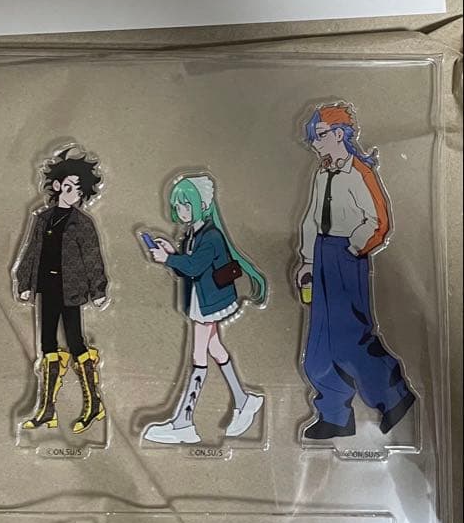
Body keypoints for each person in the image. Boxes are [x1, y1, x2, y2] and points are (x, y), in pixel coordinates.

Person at [296, 103, 416, 439]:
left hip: (346, 256)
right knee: (319, 343)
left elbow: (379, 222)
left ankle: (394, 396)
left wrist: (352, 248)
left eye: (320, 135)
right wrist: (308, 260)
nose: (314, 143)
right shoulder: (322, 174)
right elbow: (311, 219)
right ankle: (334, 414)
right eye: (313, 137)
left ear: (339, 135)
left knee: (351, 337)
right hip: (322, 253)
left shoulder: (360, 173)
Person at [143, 175, 267, 444]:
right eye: (178, 206)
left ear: (201, 205)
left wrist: (169, 259)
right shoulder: (193, 234)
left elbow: (195, 266)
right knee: (216, 349)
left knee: (199, 354)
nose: (181, 211)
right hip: (203, 300)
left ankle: (184, 422)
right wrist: (171, 254)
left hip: (210, 303)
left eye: (186, 204)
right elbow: (188, 268)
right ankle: (244, 400)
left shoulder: (211, 236)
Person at [13, 147, 108, 435]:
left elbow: (93, 258)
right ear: (56, 186)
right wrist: (24, 282)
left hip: (72, 290)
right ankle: (47, 410)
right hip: (47, 288)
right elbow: (31, 251)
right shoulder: (42, 219)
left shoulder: (83, 223)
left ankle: (94, 404)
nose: (73, 193)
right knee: (47, 345)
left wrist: (99, 289)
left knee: (76, 341)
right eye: (68, 187)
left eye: (78, 190)